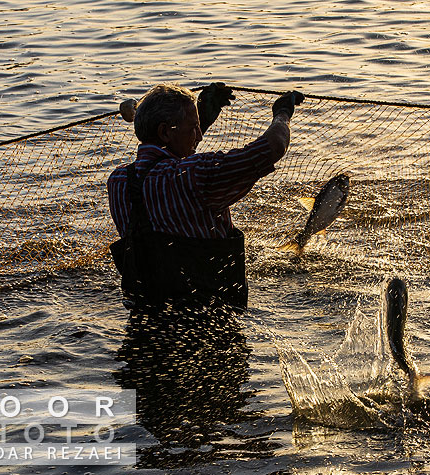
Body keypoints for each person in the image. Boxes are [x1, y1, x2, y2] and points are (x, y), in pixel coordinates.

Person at [108, 83, 303, 311]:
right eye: (194, 128)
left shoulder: (119, 181)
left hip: (146, 320)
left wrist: (199, 120)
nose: (200, 135)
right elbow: (272, 147)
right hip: (210, 323)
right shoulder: (196, 175)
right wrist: (282, 114)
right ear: (164, 132)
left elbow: (167, 170)